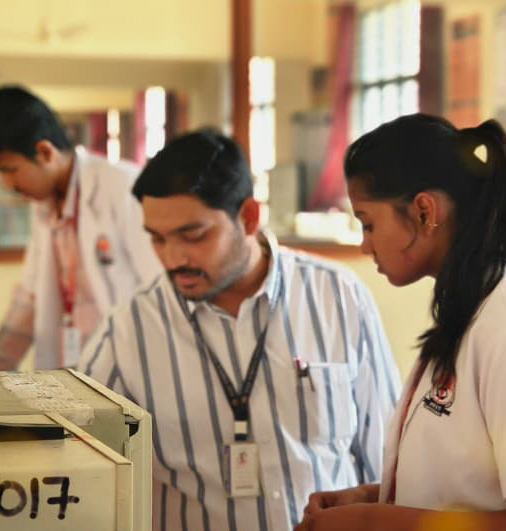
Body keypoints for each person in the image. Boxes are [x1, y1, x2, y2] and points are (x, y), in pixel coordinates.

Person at [78, 129, 401, 531]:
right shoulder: (129, 331)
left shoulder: (337, 296)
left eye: (193, 236)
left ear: (248, 217)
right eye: (157, 239)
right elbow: (82, 469)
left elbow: (385, 455)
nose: (173, 258)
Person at [295, 113, 506, 531]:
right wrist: (377, 495)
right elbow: (468, 488)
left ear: (424, 212)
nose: (365, 244)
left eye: (368, 224)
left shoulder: (499, 323)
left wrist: (372, 520)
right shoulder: (463, 311)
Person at [0, 85, 162, 370]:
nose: (6, 184)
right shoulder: (44, 205)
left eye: (9, 170)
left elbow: (161, 293)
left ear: (45, 152)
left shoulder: (123, 187)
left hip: (130, 372)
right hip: (76, 370)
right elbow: (30, 299)